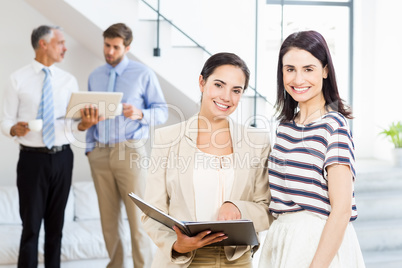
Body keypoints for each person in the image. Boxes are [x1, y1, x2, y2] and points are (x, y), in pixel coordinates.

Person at [142, 52, 272, 268]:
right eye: (219, 85)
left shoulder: (257, 142)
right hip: (183, 260)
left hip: (237, 260)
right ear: (202, 82)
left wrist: (238, 208)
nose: (226, 97)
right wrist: (177, 245)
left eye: (236, 90)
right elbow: (152, 213)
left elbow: (268, 208)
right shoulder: (168, 139)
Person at [258, 30, 365, 268]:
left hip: (318, 244)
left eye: (308, 69)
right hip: (282, 240)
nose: (298, 79)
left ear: (325, 70)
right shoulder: (285, 128)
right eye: (290, 69)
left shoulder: (334, 126)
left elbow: (342, 210)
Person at [0, 25, 98, 268]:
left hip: (63, 158)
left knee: (56, 229)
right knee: (31, 229)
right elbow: (5, 120)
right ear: (43, 44)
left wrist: (85, 124)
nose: (65, 48)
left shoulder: (68, 80)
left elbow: (74, 125)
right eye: (60, 43)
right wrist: (14, 129)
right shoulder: (18, 78)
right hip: (32, 160)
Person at [85, 23, 168, 268]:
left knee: (139, 219)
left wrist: (141, 113)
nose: (109, 51)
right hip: (100, 153)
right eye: (107, 45)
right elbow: (88, 116)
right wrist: (90, 149)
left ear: (127, 47)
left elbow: (162, 112)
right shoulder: (95, 75)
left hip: (130, 151)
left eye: (115, 47)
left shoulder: (142, 74)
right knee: (108, 221)